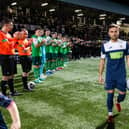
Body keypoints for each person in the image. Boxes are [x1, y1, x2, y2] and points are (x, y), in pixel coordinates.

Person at [98, 24, 129, 123]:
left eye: (116, 31)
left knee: (123, 94)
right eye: (112, 31)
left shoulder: (125, 44)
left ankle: (118, 101)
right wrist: (100, 75)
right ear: (108, 33)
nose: (114, 33)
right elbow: (102, 61)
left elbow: (128, 59)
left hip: (121, 74)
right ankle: (110, 114)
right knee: (110, 94)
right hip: (110, 75)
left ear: (118, 32)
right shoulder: (105, 46)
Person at [0, 18, 21, 96]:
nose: (12, 26)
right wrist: (15, 38)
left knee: (12, 75)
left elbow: (13, 46)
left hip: (12, 56)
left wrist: (17, 39)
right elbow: (7, 47)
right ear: (6, 25)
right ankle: (4, 94)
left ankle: (12, 91)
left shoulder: (8, 34)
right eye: (11, 25)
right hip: (5, 57)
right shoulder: (0, 34)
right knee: (5, 76)